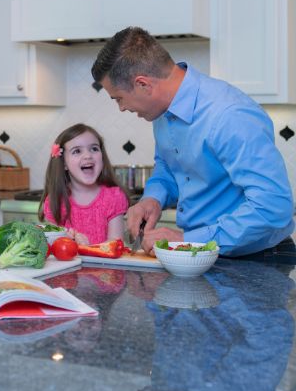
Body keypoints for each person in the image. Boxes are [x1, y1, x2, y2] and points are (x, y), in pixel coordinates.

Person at [91, 26, 295, 260]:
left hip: (257, 259)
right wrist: (153, 199)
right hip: (197, 255)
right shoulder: (161, 112)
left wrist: (188, 241)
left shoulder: (229, 115)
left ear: (143, 84)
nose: (122, 108)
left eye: (119, 98)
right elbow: (167, 166)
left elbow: (273, 207)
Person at [38, 123, 128, 245]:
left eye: (94, 149)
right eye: (77, 151)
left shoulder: (114, 197)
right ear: (63, 163)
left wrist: (88, 248)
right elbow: (51, 246)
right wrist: (64, 242)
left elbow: (116, 243)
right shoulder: (56, 200)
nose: (87, 155)